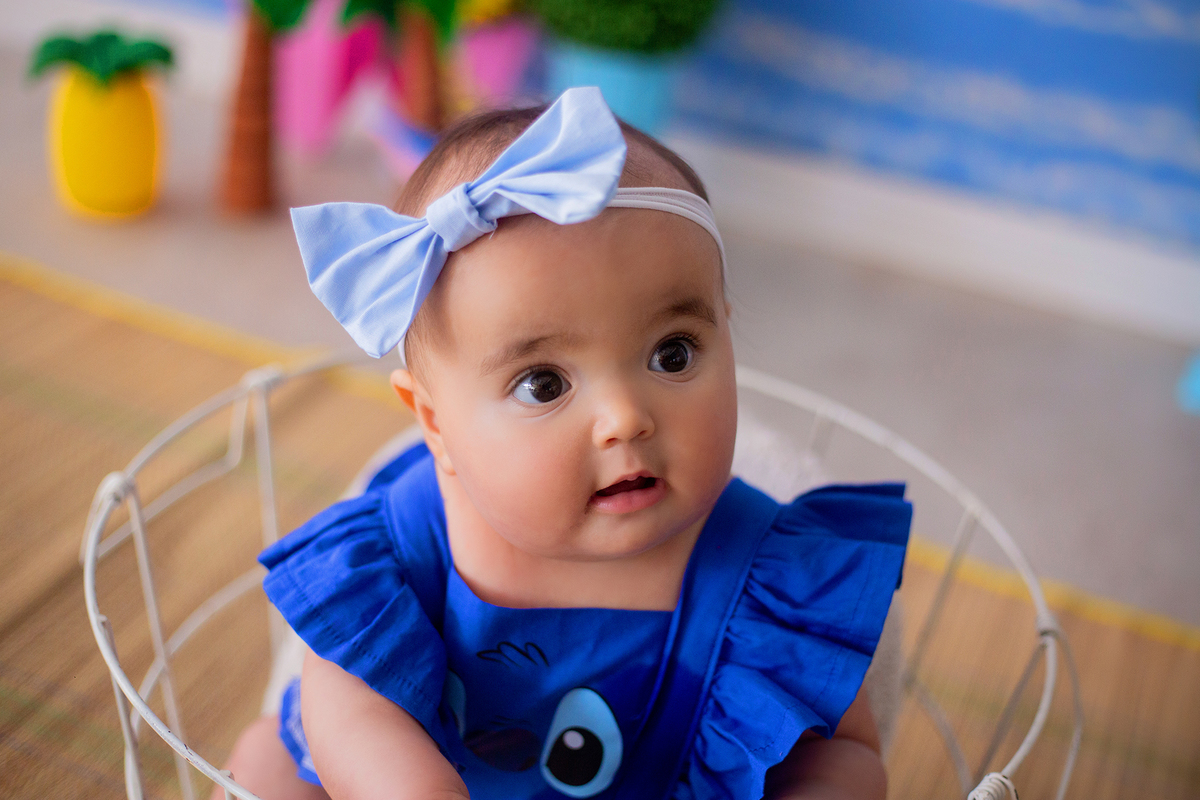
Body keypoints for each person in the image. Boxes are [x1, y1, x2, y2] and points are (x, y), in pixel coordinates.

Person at [215, 87, 911, 800]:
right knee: (267, 762)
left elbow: (845, 755)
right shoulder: (412, 533)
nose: (625, 419)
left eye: (672, 353)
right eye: (543, 384)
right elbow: (347, 699)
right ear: (434, 425)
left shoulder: (770, 577)